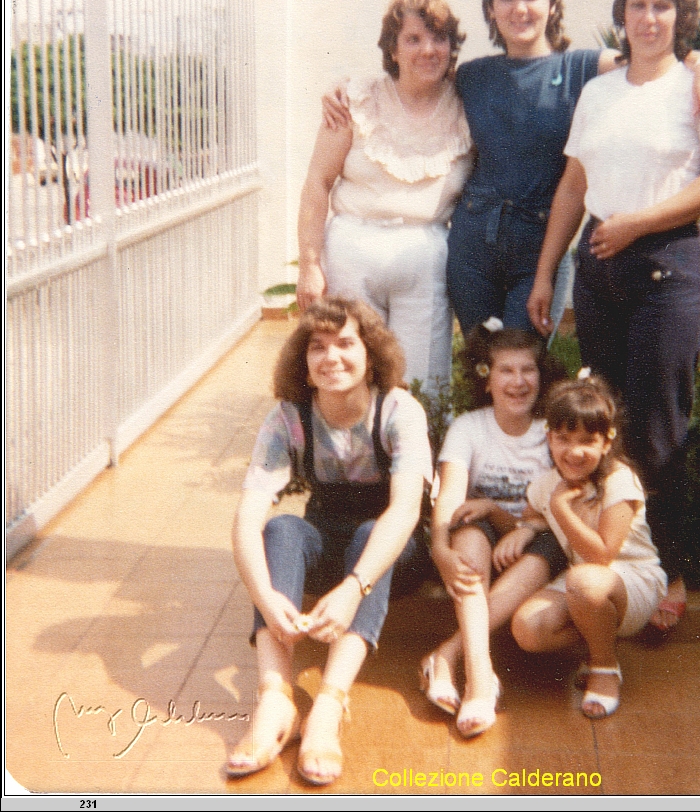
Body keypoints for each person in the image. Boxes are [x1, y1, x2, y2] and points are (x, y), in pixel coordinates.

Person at [321, 0, 700, 337]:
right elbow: (411, 78)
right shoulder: (472, 77)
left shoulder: (584, 68)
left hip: (538, 247)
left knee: (522, 368)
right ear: (490, 9)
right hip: (472, 249)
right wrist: (344, 88)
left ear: (552, 4)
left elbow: (655, 55)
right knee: (482, 368)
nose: (520, 8)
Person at [527, 0, 700, 630]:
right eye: (638, 5)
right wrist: (545, 273)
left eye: (663, 7)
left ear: (681, 19)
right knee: (605, 426)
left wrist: (636, 224)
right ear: (622, 14)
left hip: (669, 263)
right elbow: (572, 187)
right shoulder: (601, 91)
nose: (649, 18)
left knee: (659, 428)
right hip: (600, 264)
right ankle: (606, 561)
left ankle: (667, 567)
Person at [226, 297, 430, 786]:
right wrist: (266, 598)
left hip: (393, 553)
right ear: (304, 361)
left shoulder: (399, 410)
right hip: (329, 537)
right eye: (317, 347)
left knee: (369, 534)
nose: (331, 357)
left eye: (345, 343)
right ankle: (275, 697)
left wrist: (353, 588)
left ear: (370, 354)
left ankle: (329, 705)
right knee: (282, 529)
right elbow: (246, 519)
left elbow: (404, 512)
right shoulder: (289, 419)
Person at [295, 0, 473, 392]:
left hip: (424, 257)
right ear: (393, 49)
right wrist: (309, 264)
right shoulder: (355, 100)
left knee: (422, 380)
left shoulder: (469, 102)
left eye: (439, 38)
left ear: (452, 46)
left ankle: (416, 452)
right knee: (353, 371)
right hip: (352, 252)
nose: (428, 49)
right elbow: (317, 184)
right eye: (413, 39)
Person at [422, 320, 568, 738]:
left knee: (545, 543)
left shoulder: (550, 431)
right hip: (483, 544)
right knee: (467, 529)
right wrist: (440, 549)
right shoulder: (468, 427)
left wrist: (518, 525)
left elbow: (558, 510)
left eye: (528, 370)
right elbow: (449, 499)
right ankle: (481, 677)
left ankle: (449, 656)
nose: (518, 382)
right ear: (486, 379)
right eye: (506, 370)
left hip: (535, 549)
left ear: (542, 377)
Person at [511, 375, 666, 719]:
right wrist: (513, 524)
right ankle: (598, 636)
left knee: (583, 579)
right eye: (563, 438)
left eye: (587, 440)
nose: (574, 451)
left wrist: (562, 508)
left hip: (630, 581)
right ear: (549, 438)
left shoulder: (618, 479)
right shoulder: (546, 485)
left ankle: (604, 667)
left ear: (606, 443)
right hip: (586, 588)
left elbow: (601, 555)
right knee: (527, 628)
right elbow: (532, 514)